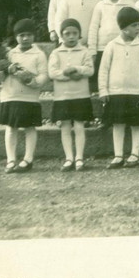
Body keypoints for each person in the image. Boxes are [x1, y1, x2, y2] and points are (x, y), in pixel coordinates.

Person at [98, 6, 139, 168]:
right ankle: (118, 155)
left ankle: (135, 154)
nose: (138, 28)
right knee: (118, 123)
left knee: (137, 123)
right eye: (134, 25)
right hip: (116, 93)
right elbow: (104, 70)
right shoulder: (111, 46)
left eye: (138, 25)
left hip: (136, 93)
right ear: (123, 26)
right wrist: (103, 90)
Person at [0, 19, 48, 173]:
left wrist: (33, 81)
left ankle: (28, 159)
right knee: (11, 127)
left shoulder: (39, 54)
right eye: (21, 35)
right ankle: (11, 159)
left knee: (30, 127)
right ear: (16, 37)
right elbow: (0, 75)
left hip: (29, 96)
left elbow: (44, 74)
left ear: (34, 36)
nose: (25, 38)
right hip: (10, 95)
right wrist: (2, 71)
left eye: (29, 35)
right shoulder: (10, 53)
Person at [47, 18, 94, 172]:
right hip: (63, 96)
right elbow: (52, 72)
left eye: (75, 33)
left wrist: (76, 69)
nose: (71, 36)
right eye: (67, 33)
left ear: (79, 35)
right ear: (61, 35)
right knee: (65, 126)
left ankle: (79, 157)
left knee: (79, 125)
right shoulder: (56, 52)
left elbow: (89, 70)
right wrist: (67, 74)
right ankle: (69, 158)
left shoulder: (84, 51)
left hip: (80, 94)